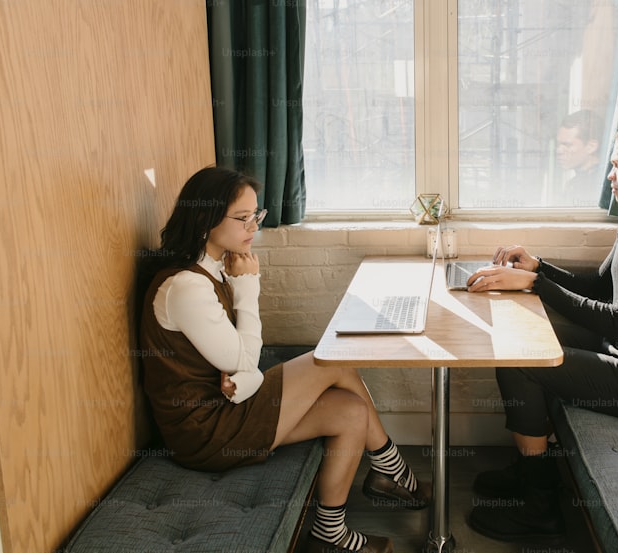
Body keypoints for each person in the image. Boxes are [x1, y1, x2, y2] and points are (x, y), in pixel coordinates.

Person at [138, 166, 430, 553]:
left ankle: (332, 531)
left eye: (255, 216)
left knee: (350, 412)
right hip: (206, 431)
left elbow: (237, 366)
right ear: (205, 218)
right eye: (242, 218)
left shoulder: (210, 270)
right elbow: (244, 361)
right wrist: (248, 287)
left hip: (226, 407)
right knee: (335, 361)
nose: (252, 228)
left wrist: (246, 378)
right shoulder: (187, 286)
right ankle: (392, 471)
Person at [463, 114, 618, 542]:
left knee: (522, 361)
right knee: (517, 341)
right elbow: (600, 286)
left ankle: (539, 507)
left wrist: (536, 285)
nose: (610, 175)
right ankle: (532, 469)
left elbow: (617, 318)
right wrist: (538, 266)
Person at [555, 109, 603, 206]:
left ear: (591, 146)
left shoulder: (604, 186)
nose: (559, 151)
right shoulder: (572, 185)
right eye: (559, 144)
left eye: (567, 145)